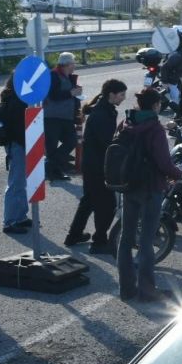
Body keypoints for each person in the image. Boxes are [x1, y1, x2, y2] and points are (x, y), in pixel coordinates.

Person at [116, 89, 182, 303]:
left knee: (126, 238)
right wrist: (178, 175)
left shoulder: (126, 122)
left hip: (129, 186)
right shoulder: (154, 128)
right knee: (146, 240)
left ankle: (126, 289)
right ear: (155, 105)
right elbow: (164, 162)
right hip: (151, 187)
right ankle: (147, 291)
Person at [66, 80, 125, 254]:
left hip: (91, 163)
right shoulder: (102, 114)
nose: (123, 98)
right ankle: (99, 241)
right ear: (111, 94)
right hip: (98, 165)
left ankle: (74, 235)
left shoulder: (103, 110)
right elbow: (106, 142)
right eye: (121, 95)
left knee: (89, 200)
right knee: (107, 205)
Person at [0, 75, 31, 234]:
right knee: (16, 183)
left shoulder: (9, 98)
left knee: (20, 182)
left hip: (17, 145)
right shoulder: (17, 102)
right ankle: (10, 221)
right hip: (18, 146)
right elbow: (19, 129)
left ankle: (20, 216)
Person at [44, 52, 83, 180]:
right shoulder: (53, 75)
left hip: (66, 117)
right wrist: (71, 93)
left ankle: (51, 166)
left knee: (71, 141)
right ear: (67, 64)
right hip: (52, 118)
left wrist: (77, 108)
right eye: (73, 63)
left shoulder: (68, 76)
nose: (74, 66)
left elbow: (71, 96)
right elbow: (53, 95)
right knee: (52, 146)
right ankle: (54, 171)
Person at [159, 25, 182, 108]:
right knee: (175, 96)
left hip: (175, 69)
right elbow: (166, 65)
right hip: (171, 71)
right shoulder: (171, 42)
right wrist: (165, 82)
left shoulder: (180, 45)